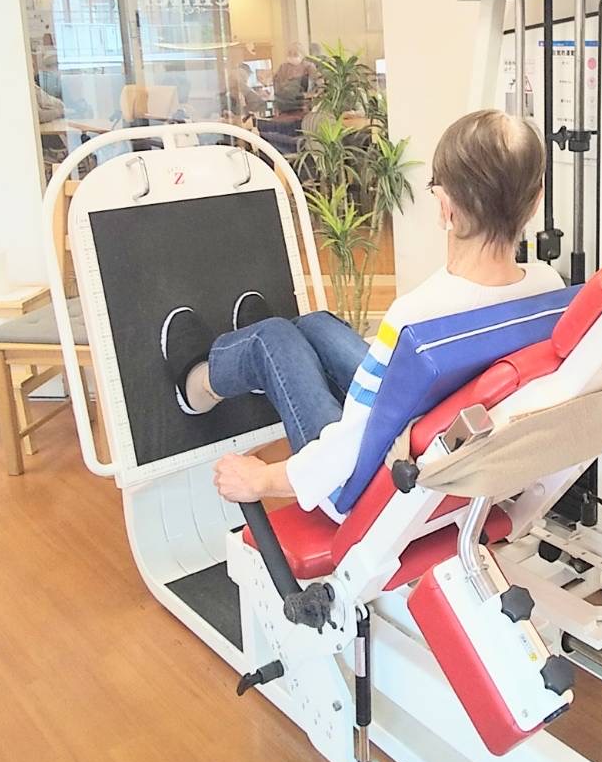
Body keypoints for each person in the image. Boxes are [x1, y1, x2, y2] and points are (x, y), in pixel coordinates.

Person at [158, 109, 562, 519]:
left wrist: (263, 479)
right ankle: (267, 368)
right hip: (431, 436)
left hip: (369, 482)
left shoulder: (418, 315)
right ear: (536, 201)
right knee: (316, 325)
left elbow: (351, 446)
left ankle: (198, 385)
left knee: (272, 338)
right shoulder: (548, 287)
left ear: (445, 207)